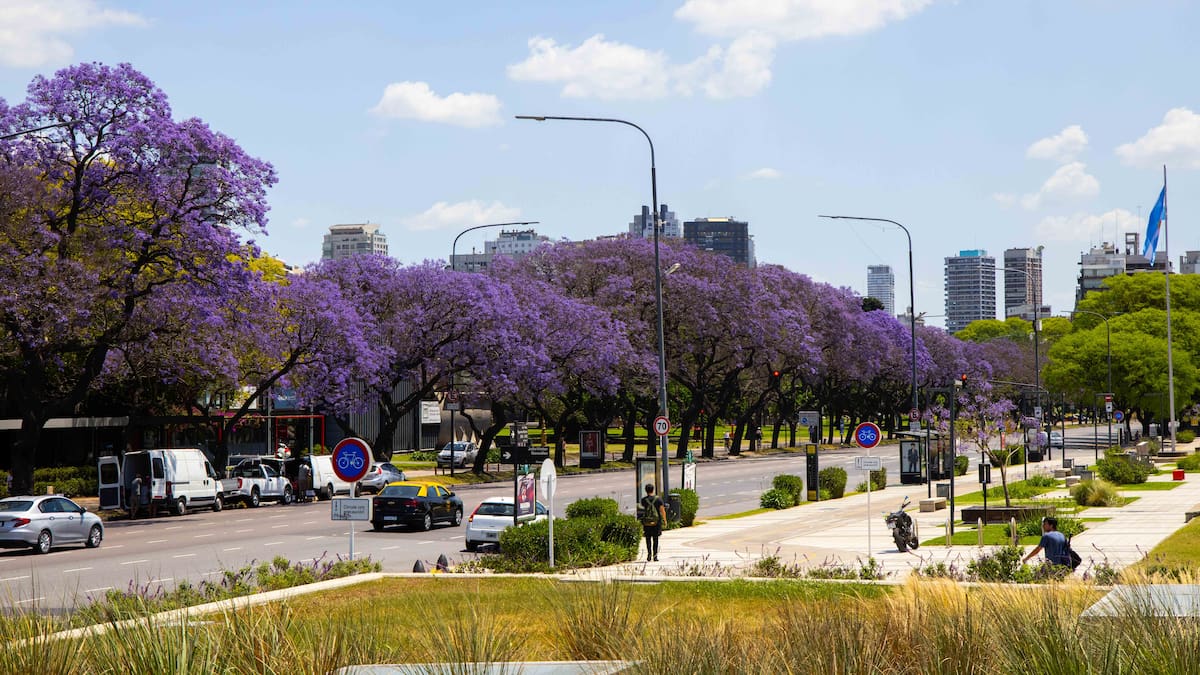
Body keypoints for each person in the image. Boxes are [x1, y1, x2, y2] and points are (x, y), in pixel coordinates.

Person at [639, 483, 667, 562]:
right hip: (656, 522)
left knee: (648, 539)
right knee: (655, 539)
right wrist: (665, 520)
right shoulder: (658, 499)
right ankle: (655, 556)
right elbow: (662, 510)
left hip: (647, 522)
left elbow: (642, 509)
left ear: (646, 490)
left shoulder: (643, 500)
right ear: (653, 490)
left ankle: (649, 555)